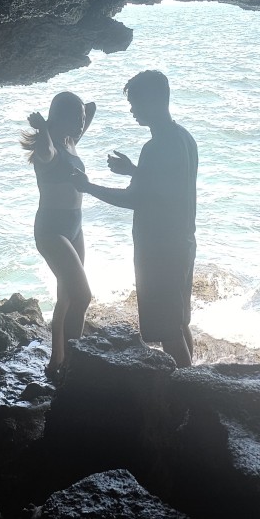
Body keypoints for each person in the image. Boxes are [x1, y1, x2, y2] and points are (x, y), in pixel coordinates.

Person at [73, 70, 198, 367]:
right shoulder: (183, 139)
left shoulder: (154, 148)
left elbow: (134, 199)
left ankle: (187, 391)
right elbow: (168, 186)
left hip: (159, 250)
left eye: (135, 103)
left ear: (153, 101)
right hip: (182, 242)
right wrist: (133, 171)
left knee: (168, 332)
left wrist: (88, 187)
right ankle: (192, 383)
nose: (132, 110)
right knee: (179, 323)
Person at [23, 91, 97, 380]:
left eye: (81, 120)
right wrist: (44, 129)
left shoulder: (70, 140)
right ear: (62, 118)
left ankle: (57, 361)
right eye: (76, 119)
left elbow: (91, 108)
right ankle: (71, 365)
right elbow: (47, 151)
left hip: (75, 227)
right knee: (82, 297)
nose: (81, 124)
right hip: (52, 231)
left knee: (66, 298)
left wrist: (77, 114)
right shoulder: (49, 149)